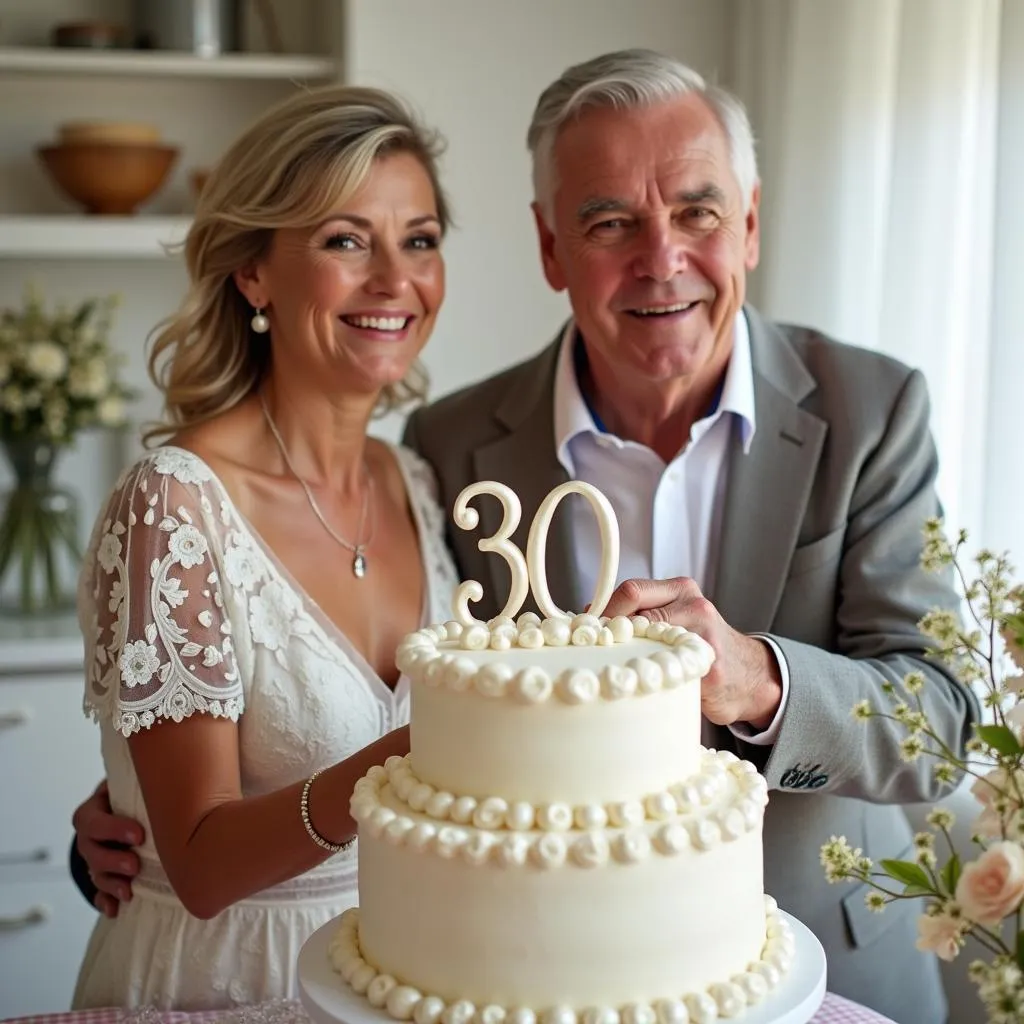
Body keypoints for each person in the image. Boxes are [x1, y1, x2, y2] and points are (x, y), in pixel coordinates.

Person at [72, 49, 977, 1024]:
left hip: (815, 972)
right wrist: (139, 816)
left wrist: (754, 675)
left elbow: (940, 724)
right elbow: (278, 717)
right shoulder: (451, 450)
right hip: (500, 983)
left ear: (749, 224)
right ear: (550, 248)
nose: (660, 257)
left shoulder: (871, 410)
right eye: (609, 222)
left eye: (697, 212)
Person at [67, 83, 460, 1010]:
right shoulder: (171, 504)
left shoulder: (418, 485)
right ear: (253, 272)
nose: (395, 280)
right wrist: (432, 750)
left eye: (421, 239)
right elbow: (198, 865)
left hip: (396, 977)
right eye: (344, 240)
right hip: (221, 981)